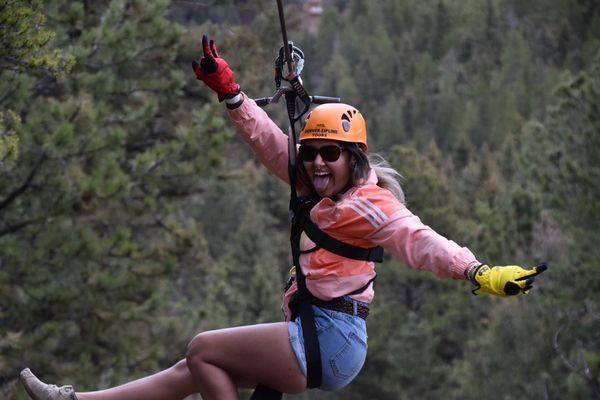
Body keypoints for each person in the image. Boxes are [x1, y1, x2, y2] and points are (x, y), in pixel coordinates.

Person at [19, 35, 547, 400]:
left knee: (203, 349)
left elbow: (419, 239)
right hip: (320, 335)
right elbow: (274, 146)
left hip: (330, 340)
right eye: (312, 152)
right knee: (194, 369)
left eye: (330, 154)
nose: (317, 161)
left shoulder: (369, 202)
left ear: (353, 159)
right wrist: (231, 94)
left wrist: (477, 271)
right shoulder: (320, 188)